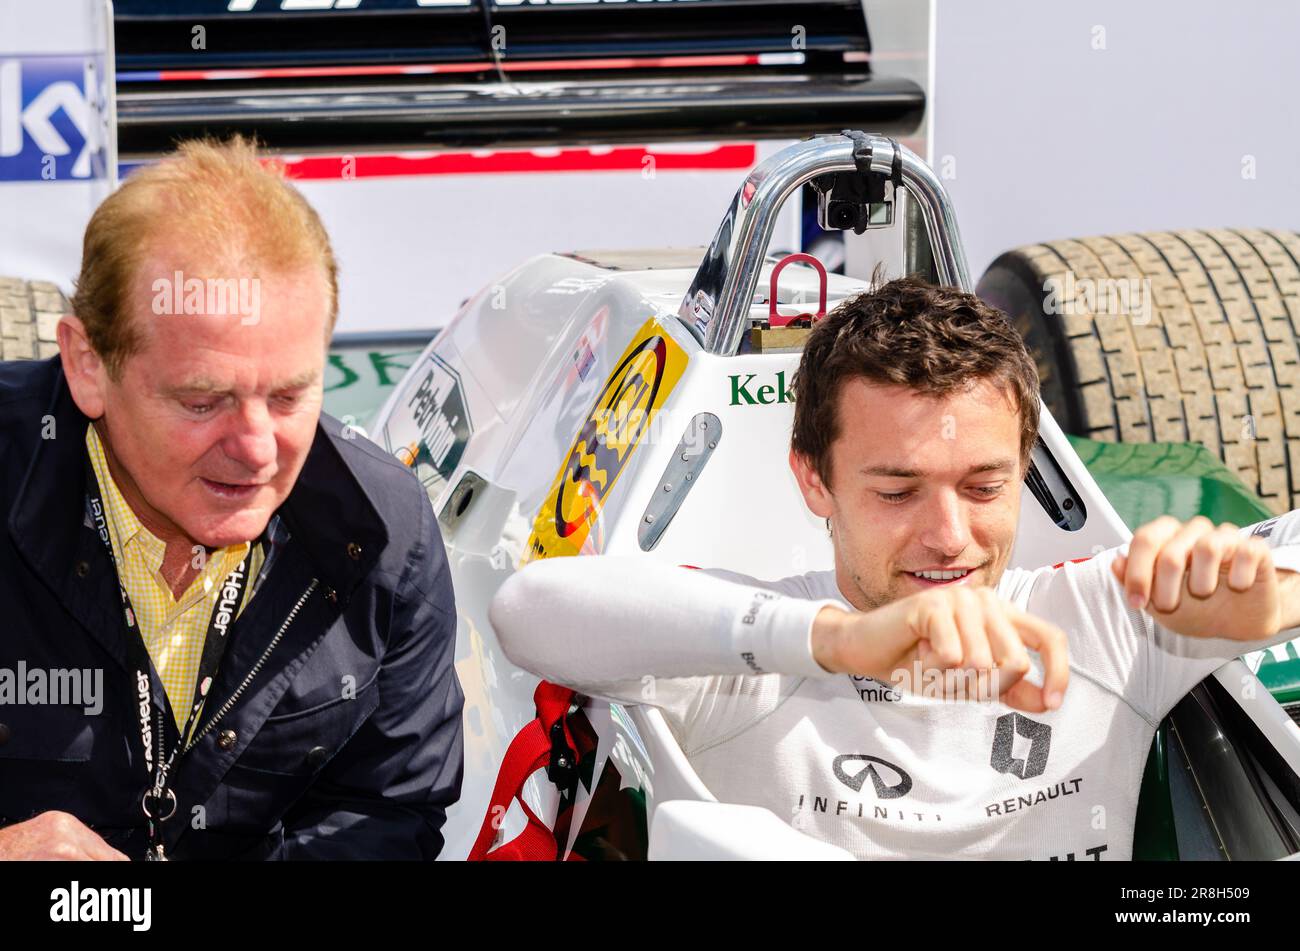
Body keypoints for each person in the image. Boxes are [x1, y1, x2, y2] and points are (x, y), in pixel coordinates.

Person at [490, 278, 1300, 860]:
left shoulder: (1110, 616)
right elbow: (525, 609)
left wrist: (1271, 602)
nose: (948, 536)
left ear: (1024, 465)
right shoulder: (752, 657)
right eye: (898, 490)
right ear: (814, 478)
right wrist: (841, 641)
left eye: (984, 486)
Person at [0, 137, 463, 860]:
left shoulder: (383, 532)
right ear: (88, 365)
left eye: (289, 394)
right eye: (202, 400)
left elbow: (387, 816)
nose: (256, 448)